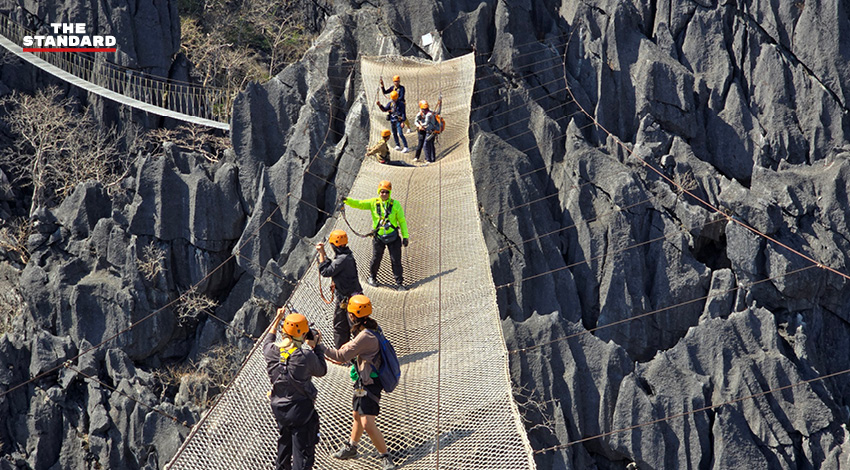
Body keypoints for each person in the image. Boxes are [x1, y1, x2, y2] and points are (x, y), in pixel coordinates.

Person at [324, 295, 396, 470]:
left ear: (352, 315)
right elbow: (354, 347)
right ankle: (352, 446)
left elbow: (341, 356)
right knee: (357, 414)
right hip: (363, 381)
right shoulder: (371, 327)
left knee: (367, 422)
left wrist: (319, 346)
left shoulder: (365, 336)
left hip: (370, 383)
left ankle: (385, 456)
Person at [262, 309, 328, 470]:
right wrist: (317, 346)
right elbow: (322, 370)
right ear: (303, 335)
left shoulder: (271, 350)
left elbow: (268, 338)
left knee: (284, 444)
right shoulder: (305, 356)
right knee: (303, 454)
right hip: (301, 411)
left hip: (279, 409)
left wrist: (277, 319)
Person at [343, 180, 409, 290]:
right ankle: (372, 277)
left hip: (393, 237)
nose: (384, 194)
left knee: (396, 260)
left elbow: (402, 221)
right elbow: (359, 204)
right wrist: (346, 201)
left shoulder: (395, 205)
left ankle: (399, 283)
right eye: (382, 192)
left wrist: (405, 236)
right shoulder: (373, 203)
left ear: (390, 193)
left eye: (386, 192)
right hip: (379, 237)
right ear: (379, 192)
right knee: (376, 259)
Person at [317, 229, 363, 349]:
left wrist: (321, 253)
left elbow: (325, 271)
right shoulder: (345, 256)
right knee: (340, 326)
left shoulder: (342, 259)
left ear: (333, 245)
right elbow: (333, 266)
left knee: (354, 328)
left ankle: (359, 353)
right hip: (345, 297)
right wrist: (324, 254)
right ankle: (343, 354)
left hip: (349, 299)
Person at [413, 99, 440, 164]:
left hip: (429, 131)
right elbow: (415, 121)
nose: (424, 110)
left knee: (428, 145)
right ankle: (419, 157)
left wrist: (422, 125)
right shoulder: (420, 114)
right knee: (422, 143)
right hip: (423, 131)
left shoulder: (429, 114)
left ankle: (430, 159)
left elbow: (427, 122)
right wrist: (419, 126)